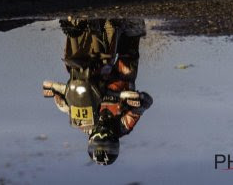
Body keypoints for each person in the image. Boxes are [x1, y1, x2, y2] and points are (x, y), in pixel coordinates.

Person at [42, 18, 153, 166]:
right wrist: (139, 101)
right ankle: (132, 28)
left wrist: (59, 98)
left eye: (97, 143)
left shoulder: (84, 124)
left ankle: (74, 31)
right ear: (115, 143)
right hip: (119, 82)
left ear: (90, 142)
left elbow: (70, 107)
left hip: (94, 81)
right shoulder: (124, 126)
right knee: (128, 63)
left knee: (71, 68)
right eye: (107, 144)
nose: (102, 138)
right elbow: (145, 104)